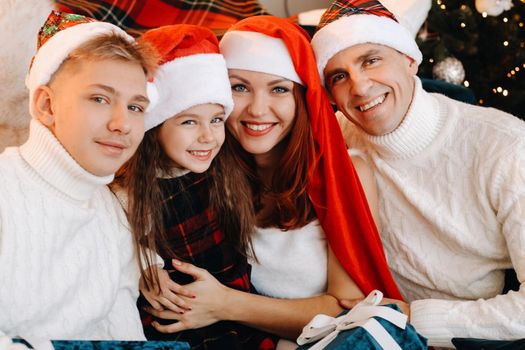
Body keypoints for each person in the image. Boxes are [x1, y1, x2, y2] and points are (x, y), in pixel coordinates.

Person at [142, 15, 403, 347]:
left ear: (301, 98)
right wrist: (147, 273)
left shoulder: (344, 172)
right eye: (239, 87)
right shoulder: (202, 162)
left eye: (279, 89)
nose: (257, 109)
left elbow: (346, 310)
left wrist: (224, 305)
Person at [311, 0, 525, 347]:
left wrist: (414, 317)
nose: (360, 87)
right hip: (365, 326)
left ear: (410, 59)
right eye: (339, 76)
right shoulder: (337, 137)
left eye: (371, 60)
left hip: (467, 335)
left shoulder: (505, 147)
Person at [115, 24, 278, 349]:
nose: (208, 136)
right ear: (156, 124)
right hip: (180, 318)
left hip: (235, 302)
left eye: (216, 119)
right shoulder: (130, 189)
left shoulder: (224, 170)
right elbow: (111, 243)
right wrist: (144, 267)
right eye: (189, 121)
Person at [0, 11, 156, 340]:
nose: (122, 124)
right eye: (99, 99)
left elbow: (121, 324)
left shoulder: (112, 211)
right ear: (46, 105)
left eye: (135, 107)